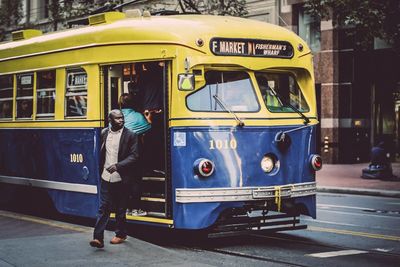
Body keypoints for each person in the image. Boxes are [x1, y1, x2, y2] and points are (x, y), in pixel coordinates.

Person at [90, 109, 139, 248]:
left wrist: (118, 166)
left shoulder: (131, 135)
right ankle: (98, 238)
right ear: (110, 120)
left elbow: (134, 156)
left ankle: (121, 234)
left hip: (122, 178)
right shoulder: (104, 132)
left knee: (120, 209)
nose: (121, 120)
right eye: (117, 118)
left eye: (122, 118)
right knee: (103, 208)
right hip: (106, 177)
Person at [119, 93, 150, 216]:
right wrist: (148, 118)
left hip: (119, 153)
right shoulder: (137, 116)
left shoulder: (116, 116)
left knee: (124, 181)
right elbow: (147, 128)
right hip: (133, 153)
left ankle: (125, 208)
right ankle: (136, 209)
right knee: (136, 180)